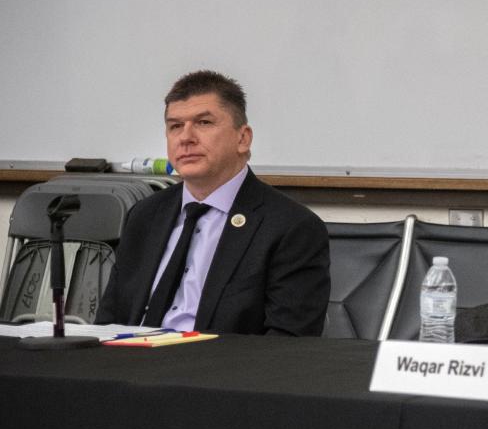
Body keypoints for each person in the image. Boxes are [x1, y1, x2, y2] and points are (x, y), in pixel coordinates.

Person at [97, 70, 330, 335]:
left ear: (243, 138)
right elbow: (109, 321)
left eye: (204, 123)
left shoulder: (291, 227)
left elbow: (287, 344)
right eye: (175, 126)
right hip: (129, 364)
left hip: (217, 371)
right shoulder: (146, 215)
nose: (186, 137)